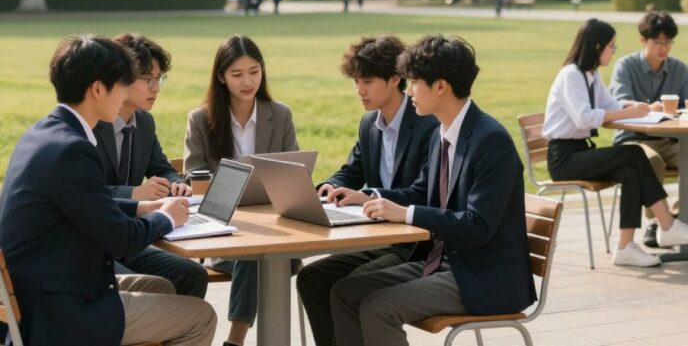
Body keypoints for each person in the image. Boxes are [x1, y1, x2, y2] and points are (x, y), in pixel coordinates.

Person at [0, 35, 216, 345]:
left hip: (46, 290)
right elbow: (122, 239)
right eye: (123, 84)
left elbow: (84, 204)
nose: (125, 93)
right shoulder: (72, 150)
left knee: (164, 288)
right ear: (98, 89)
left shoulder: (43, 133)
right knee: (201, 317)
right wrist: (166, 218)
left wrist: (142, 208)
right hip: (62, 311)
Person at [328, 35, 535, 346]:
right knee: (345, 292)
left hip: (482, 276)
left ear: (440, 86)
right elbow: (421, 191)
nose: (408, 91)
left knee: (377, 307)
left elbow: (478, 226)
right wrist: (372, 197)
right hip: (446, 263)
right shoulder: (444, 131)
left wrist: (406, 214)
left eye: (414, 82)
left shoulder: (490, 141)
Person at [296, 35, 438, 346]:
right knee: (312, 279)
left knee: (349, 287)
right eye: (356, 81)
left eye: (368, 81)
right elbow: (351, 170)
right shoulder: (369, 124)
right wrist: (330, 186)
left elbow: (424, 192)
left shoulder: (427, 125)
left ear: (395, 79)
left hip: (415, 245)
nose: (360, 90)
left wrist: (372, 195)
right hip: (379, 238)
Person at [542, 18, 688, 268]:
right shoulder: (571, 76)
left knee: (630, 171)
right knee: (633, 154)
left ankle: (625, 247)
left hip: (579, 152)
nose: (613, 52)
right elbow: (585, 117)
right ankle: (667, 225)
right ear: (598, 47)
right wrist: (626, 113)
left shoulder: (591, 75)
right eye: (611, 46)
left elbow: (611, 105)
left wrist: (636, 107)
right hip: (564, 159)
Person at [184, 34, 299, 346]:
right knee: (253, 253)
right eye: (237, 74)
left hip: (277, 233)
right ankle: (235, 342)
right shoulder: (200, 119)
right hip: (222, 234)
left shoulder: (281, 114)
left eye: (254, 71)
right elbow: (194, 180)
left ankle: (233, 343)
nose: (248, 81)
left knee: (257, 251)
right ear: (221, 77)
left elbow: (295, 173)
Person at [93, 33, 207, 299]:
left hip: (129, 240)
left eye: (159, 79)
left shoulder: (143, 122)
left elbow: (160, 166)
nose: (156, 88)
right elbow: (85, 193)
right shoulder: (89, 126)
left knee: (192, 274)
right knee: (154, 286)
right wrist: (134, 193)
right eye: (148, 79)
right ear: (120, 77)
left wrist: (175, 183)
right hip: (94, 246)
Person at [609, 11, 688, 249]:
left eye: (668, 42)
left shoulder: (679, 69)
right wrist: (648, 108)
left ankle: (675, 220)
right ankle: (656, 223)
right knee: (651, 161)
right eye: (657, 42)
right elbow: (620, 102)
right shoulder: (625, 66)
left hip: (671, 140)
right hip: (634, 140)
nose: (663, 48)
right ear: (642, 40)